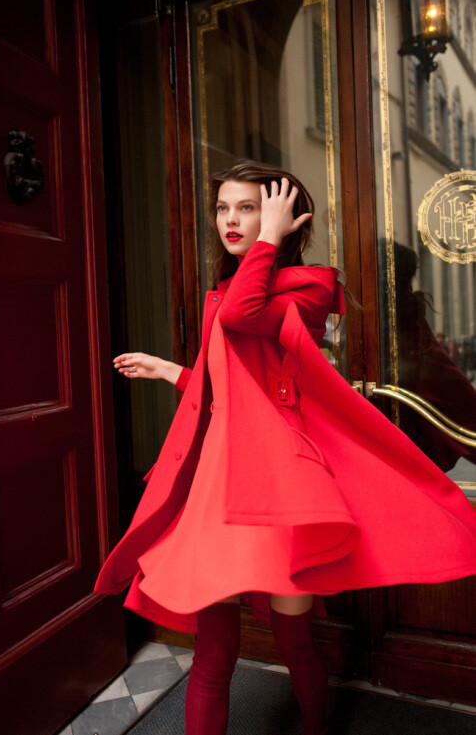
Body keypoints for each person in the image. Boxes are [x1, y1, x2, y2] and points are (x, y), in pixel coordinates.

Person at [94, 159, 476, 735]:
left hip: (277, 486)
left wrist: (271, 236)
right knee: (214, 655)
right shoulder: (224, 290)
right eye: (223, 207)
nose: (231, 219)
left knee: (293, 637)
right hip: (220, 486)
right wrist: (171, 370)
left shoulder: (311, 286)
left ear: (288, 216)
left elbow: (248, 316)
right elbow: (228, 386)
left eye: (248, 207)